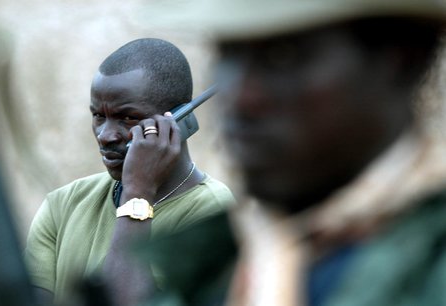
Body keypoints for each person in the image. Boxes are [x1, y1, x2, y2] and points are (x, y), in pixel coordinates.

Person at [139, 0, 446, 305]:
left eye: (282, 56)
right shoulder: (214, 264)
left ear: (401, 59)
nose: (240, 98)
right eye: (228, 53)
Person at [24, 38, 234, 305]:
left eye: (128, 117)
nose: (105, 135)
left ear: (177, 121)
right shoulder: (63, 204)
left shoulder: (210, 214)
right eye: (99, 116)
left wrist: (138, 193)